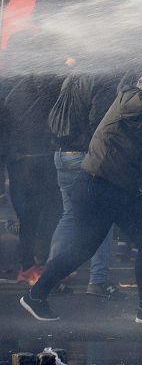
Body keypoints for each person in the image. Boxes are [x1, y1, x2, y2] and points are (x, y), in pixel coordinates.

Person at [20, 68, 142, 324]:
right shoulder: (128, 99)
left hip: (120, 187)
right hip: (100, 184)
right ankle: (36, 295)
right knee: (85, 247)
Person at [47, 58, 122, 299]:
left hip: (61, 155)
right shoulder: (102, 78)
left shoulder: (72, 78)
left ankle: (51, 278)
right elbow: (102, 122)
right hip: (85, 157)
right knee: (102, 217)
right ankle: (98, 280)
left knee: (69, 215)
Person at [5, 74, 63, 287]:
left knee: (37, 216)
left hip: (29, 162)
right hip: (31, 163)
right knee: (38, 216)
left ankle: (35, 265)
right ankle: (32, 266)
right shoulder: (41, 87)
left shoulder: (25, 89)